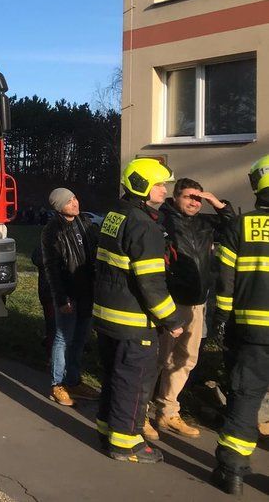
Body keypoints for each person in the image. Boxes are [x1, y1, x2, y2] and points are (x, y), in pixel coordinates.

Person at [94, 158, 185, 463]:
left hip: (108, 315)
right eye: (159, 184)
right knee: (133, 383)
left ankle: (107, 429)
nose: (164, 190)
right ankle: (127, 443)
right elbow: (151, 284)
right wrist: (171, 319)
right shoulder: (144, 226)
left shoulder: (115, 214)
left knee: (113, 376)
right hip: (134, 321)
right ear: (143, 185)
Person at [151, 178, 234, 439]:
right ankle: (139, 411)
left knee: (186, 360)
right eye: (189, 197)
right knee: (157, 360)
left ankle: (168, 411)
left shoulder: (204, 223)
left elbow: (233, 228)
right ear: (176, 197)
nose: (194, 202)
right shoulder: (162, 220)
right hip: (170, 303)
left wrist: (218, 204)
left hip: (197, 303)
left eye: (198, 198)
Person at [210, 155, 269, 496]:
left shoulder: (239, 228)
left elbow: (225, 283)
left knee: (245, 398)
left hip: (251, 333)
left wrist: (222, 321)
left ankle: (231, 471)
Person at [41, 187, 98, 406]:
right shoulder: (52, 231)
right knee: (63, 338)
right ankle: (58, 384)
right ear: (58, 206)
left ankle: (74, 381)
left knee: (80, 339)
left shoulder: (85, 223)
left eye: (75, 197)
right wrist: (61, 298)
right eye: (69, 201)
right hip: (68, 294)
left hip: (87, 292)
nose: (75, 202)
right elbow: (52, 268)